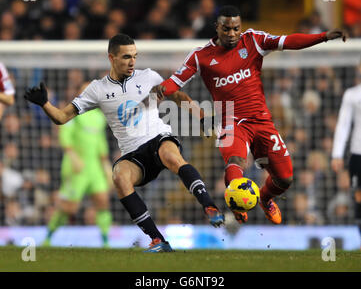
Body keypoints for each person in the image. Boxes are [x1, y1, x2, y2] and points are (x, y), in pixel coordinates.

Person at [24, 33, 224, 252]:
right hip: (133, 154)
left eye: (135, 56)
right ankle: (159, 240)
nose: (132, 62)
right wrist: (44, 103)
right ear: (112, 58)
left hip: (158, 138)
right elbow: (62, 118)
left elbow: (178, 97)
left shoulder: (149, 77)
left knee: (171, 156)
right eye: (126, 57)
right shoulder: (97, 89)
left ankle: (209, 206)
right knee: (119, 176)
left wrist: (202, 116)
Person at [151, 5, 347, 225]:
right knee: (235, 161)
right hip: (229, 119)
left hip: (261, 120)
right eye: (226, 29)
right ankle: (236, 203)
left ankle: (265, 198)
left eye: (236, 28)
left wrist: (323, 37)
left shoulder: (253, 40)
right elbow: (175, 82)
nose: (232, 34)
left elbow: (288, 42)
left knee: (285, 178)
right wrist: (159, 90)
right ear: (217, 27)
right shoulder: (201, 56)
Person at [42, 82, 113, 248]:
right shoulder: (73, 111)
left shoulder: (99, 117)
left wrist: (106, 166)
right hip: (77, 167)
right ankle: (48, 237)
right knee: (69, 208)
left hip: (94, 167)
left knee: (102, 201)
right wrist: (72, 156)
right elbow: (64, 134)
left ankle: (105, 242)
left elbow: (100, 143)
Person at [331, 65, 361, 241]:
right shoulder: (352, 94)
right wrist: (337, 154)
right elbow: (343, 125)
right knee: (359, 196)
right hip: (358, 154)